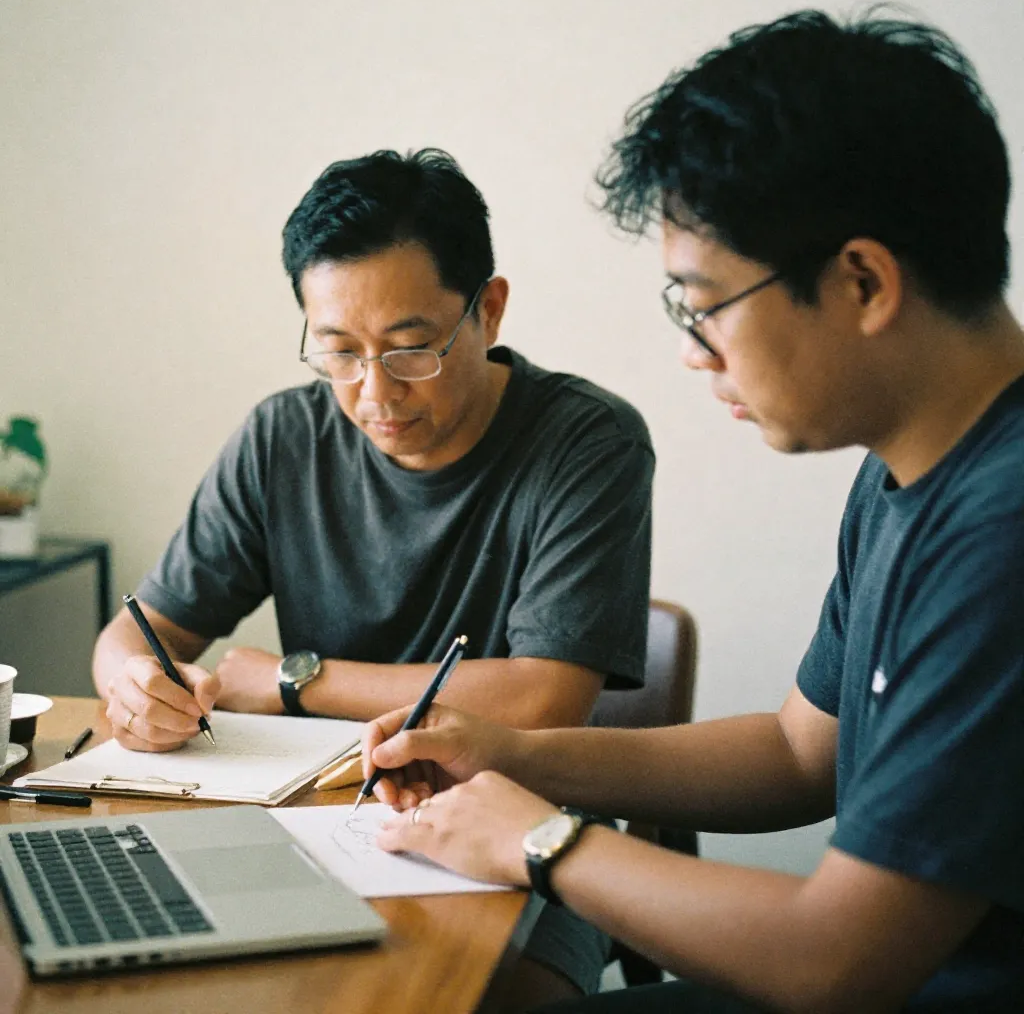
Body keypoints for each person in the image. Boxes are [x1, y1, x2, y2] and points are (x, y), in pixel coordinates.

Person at [358, 11, 1024, 1014]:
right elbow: (799, 752)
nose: (691, 350)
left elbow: (837, 961)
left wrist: (536, 839)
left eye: (703, 304)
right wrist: (506, 754)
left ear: (862, 281)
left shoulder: (1001, 530)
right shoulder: (911, 473)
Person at [91, 148, 656, 1006]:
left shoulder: (586, 443)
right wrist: (134, 687)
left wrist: (291, 681)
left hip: (519, 824)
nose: (374, 393)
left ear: (488, 309)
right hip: (310, 818)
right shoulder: (282, 439)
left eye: (410, 348)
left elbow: (544, 701)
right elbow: (138, 633)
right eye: (339, 352)